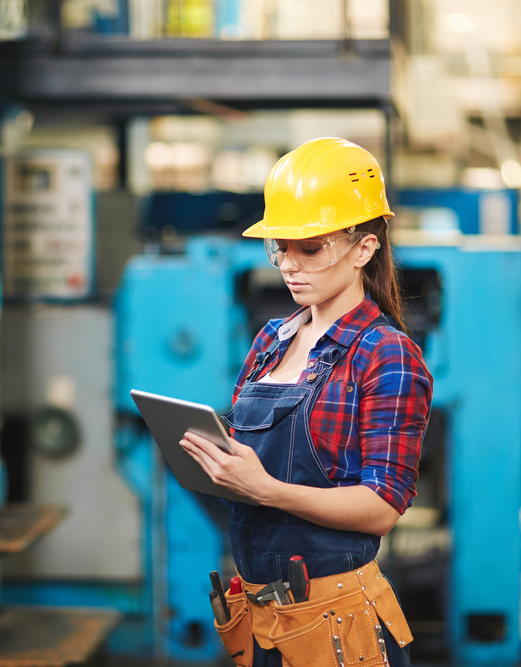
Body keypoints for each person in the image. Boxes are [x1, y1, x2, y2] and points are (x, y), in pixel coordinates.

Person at [180, 137, 432, 667]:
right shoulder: (271, 340)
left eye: (310, 248)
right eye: (280, 248)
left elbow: (382, 507)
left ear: (364, 248)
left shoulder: (386, 356)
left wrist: (267, 491)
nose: (289, 266)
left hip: (335, 627)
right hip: (261, 619)